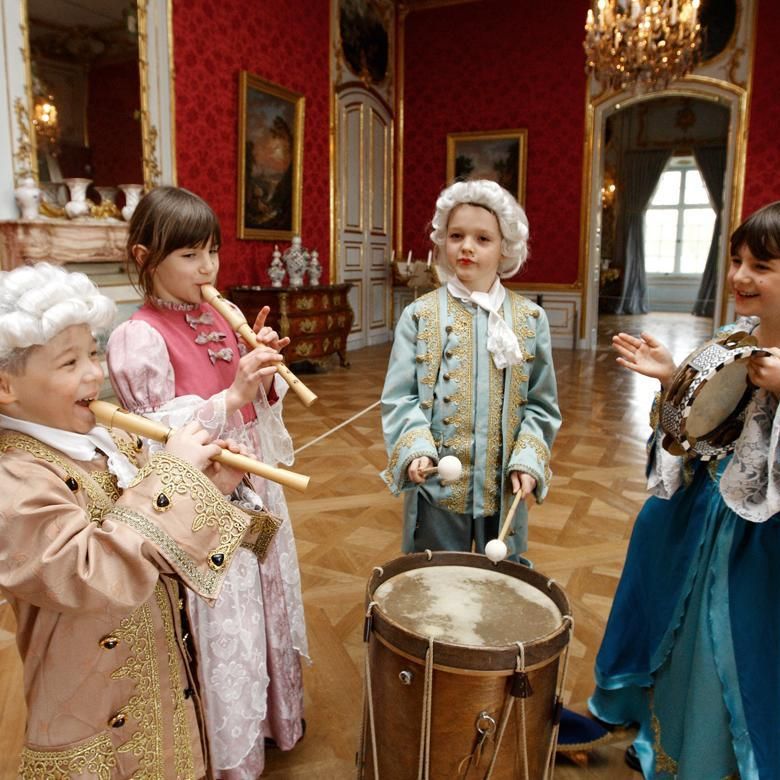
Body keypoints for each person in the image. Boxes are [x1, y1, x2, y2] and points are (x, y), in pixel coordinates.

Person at [0, 262, 275, 779]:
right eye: (68, 363)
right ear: (5, 387)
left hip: (161, 679)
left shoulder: (111, 443)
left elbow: (159, 543)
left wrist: (208, 486)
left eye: (93, 352)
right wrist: (172, 479)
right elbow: (87, 572)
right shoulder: (14, 478)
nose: (94, 373)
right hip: (92, 712)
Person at [107, 186, 307, 780]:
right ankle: (228, 754)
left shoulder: (219, 316)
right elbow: (155, 442)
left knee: (266, 602)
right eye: (190, 255)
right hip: (201, 506)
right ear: (146, 257)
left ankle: (274, 721)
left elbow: (254, 415)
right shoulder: (136, 337)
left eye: (212, 252)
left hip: (253, 487)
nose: (208, 268)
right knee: (229, 622)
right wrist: (234, 393)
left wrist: (265, 379)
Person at [589, 200, 780, 779]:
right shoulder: (731, 337)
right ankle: (657, 727)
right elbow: (695, 428)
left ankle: (712, 756)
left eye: (763, 266)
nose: (741, 277)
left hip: (754, 538)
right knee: (672, 609)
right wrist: (675, 377)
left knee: (724, 638)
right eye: (737, 261)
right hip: (698, 512)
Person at [380, 178, 561, 560]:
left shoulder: (530, 319)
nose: (466, 247)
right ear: (443, 240)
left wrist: (529, 459)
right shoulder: (419, 316)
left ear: (505, 248)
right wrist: (416, 452)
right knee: (437, 581)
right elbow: (400, 397)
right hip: (438, 492)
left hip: (503, 486)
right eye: (456, 235)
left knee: (500, 587)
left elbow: (541, 404)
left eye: (483, 239)